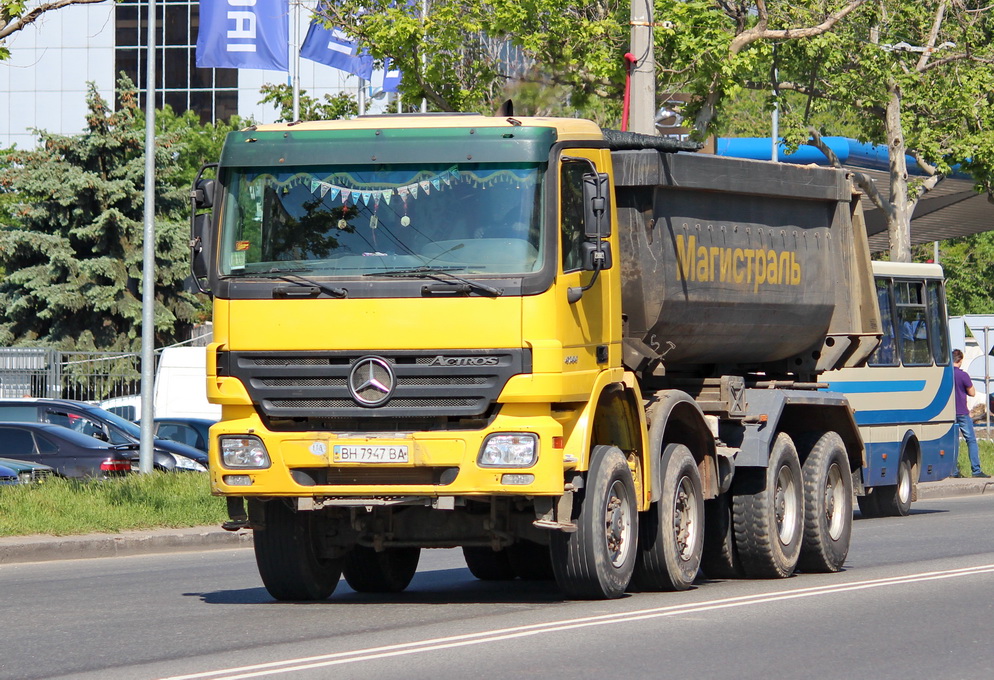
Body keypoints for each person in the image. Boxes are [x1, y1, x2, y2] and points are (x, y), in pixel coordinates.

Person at [953, 349, 989, 478]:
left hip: (948, 414)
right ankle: (976, 470)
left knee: (952, 441)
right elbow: (972, 392)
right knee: (971, 440)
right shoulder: (963, 375)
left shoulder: (944, 374)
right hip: (962, 412)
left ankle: (953, 471)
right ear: (960, 360)